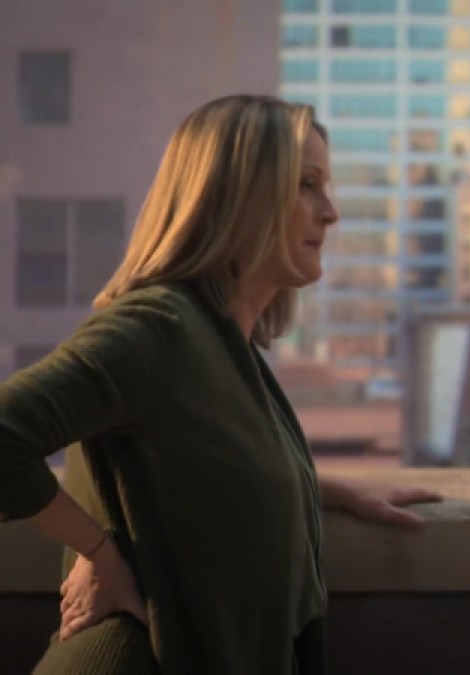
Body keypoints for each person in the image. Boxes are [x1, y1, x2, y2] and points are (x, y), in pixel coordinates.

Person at [0, 95, 439, 674]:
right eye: (306, 185)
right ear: (239, 196)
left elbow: (197, 472)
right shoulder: (158, 329)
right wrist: (100, 552)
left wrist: (318, 488)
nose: (329, 212)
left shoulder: (224, 343)